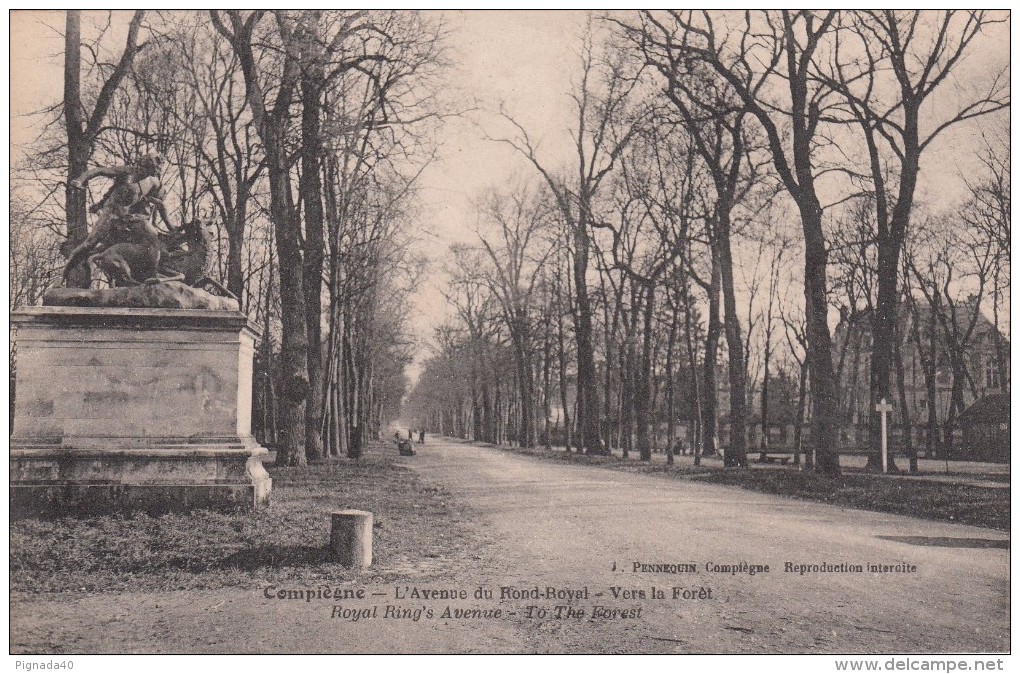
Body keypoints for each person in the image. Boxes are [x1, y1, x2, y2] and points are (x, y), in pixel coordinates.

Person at [63, 152, 172, 283]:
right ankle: (65, 274)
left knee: (151, 238)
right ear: (141, 164)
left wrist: (170, 227)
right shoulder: (126, 173)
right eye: (145, 168)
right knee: (89, 244)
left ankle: (147, 274)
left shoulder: (153, 182)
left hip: (130, 218)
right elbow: (100, 171)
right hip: (111, 214)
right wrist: (80, 180)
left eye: (150, 171)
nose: (145, 172)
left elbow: (160, 204)